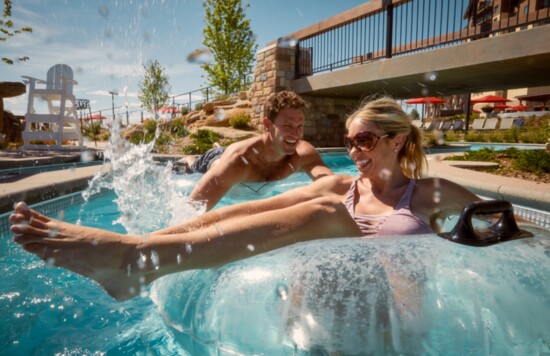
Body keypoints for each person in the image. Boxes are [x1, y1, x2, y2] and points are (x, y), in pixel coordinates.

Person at [10, 96, 483, 301]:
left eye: (365, 140)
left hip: (394, 310)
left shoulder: (429, 194)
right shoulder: (345, 187)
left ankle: (132, 260)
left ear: (398, 141)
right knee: (288, 206)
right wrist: (156, 234)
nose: (354, 151)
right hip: (334, 303)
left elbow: (505, 226)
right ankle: (135, 257)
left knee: (321, 213)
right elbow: (243, 209)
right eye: (350, 141)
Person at [174, 90, 334, 210]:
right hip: (215, 161)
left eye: (300, 126)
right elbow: (191, 210)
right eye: (288, 126)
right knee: (191, 166)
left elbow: (333, 185)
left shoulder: (303, 154)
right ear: (267, 125)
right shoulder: (239, 161)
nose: (295, 133)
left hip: (233, 156)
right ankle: (191, 158)